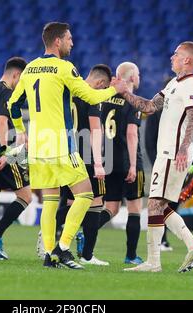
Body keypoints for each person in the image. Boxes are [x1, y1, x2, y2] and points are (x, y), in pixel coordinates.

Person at [7, 22, 125, 269]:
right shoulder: (64, 68)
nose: (72, 42)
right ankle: (63, 248)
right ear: (58, 41)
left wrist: (20, 131)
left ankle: (49, 255)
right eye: (69, 38)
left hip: (39, 146)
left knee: (50, 201)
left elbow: (13, 105)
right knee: (85, 194)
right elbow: (92, 96)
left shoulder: (30, 69)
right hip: (61, 143)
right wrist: (116, 88)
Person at [122, 41, 193, 273]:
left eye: (177, 54)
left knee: (154, 204)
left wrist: (182, 148)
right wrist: (125, 93)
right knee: (159, 205)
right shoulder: (173, 84)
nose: (172, 57)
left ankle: (154, 262)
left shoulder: (192, 85)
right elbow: (149, 107)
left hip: (174, 154)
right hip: (166, 153)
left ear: (187, 60)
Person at [50, 64, 112, 266]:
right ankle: (87, 254)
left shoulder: (69, 91)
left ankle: (49, 240)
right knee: (96, 203)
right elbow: (95, 130)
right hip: (86, 156)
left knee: (69, 202)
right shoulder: (92, 95)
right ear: (101, 84)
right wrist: (98, 162)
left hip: (67, 153)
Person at [0, 57, 32, 260]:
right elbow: (1, 123)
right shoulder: (7, 91)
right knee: (26, 195)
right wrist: (4, 152)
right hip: (3, 150)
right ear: (16, 75)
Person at [97, 62, 145, 265]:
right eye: (139, 74)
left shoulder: (106, 98)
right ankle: (131, 256)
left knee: (111, 208)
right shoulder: (133, 102)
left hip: (109, 160)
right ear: (132, 78)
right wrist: (133, 165)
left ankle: (85, 233)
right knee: (134, 208)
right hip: (127, 161)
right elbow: (132, 133)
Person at [144, 77, 175, 252]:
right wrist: (156, 161)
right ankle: (160, 240)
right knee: (160, 201)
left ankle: (162, 239)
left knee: (168, 201)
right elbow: (150, 140)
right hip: (162, 160)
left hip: (177, 161)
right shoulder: (158, 109)